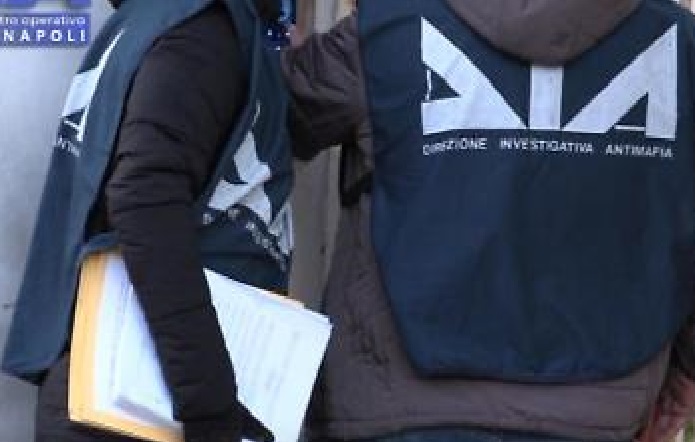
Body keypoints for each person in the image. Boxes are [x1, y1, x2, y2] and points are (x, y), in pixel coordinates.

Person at [283, 0, 695, 441]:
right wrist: (682, 379)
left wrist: (277, 41)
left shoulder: (386, 30)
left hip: (406, 404)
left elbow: (271, 113)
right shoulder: (679, 44)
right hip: (600, 406)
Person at [2, 0, 293, 441]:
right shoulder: (202, 32)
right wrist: (209, 403)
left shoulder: (153, 21)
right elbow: (145, 196)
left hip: (110, 380)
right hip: (143, 401)